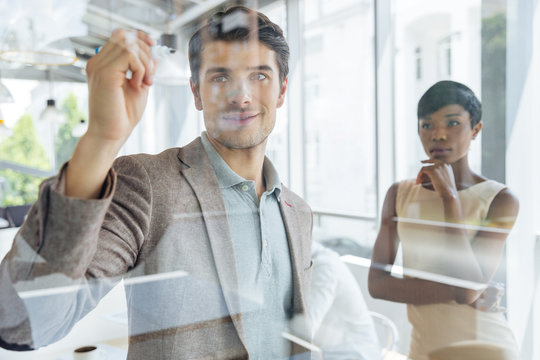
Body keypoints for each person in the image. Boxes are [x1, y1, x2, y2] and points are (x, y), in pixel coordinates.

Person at [0, 6, 313, 359]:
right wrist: (100, 141)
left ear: (282, 90)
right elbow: (19, 324)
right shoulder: (147, 185)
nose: (241, 96)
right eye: (220, 77)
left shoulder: (297, 211)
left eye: (259, 76)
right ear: (196, 92)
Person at [368, 81, 520, 360]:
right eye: (427, 125)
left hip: (487, 347)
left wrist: (450, 198)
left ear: (476, 129)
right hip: (424, 348)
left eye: (452, 123)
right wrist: (462, 289)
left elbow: (468, 290)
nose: (438, 135)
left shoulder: (501, 200)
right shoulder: (399, 194)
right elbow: (377, 284)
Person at [308, 242, 380, 360]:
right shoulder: (323, 259)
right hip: (333, 350)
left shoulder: (325, 267)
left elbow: (308, 328)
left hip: (356, 354)